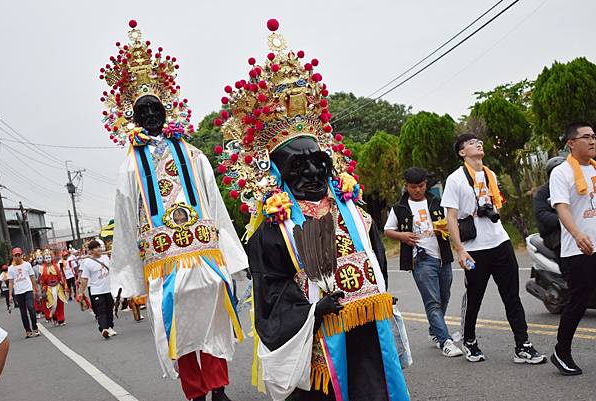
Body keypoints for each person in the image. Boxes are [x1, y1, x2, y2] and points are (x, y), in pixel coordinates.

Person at [219, 19, 409, 401]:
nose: (311, 173)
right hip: (318, 337)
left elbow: (375, 261)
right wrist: (311, 311)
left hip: (367, 327)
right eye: (297, 166)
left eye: (317, 162)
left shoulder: (358, 213)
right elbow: (270, 294)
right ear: (276, 174)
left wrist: (378, 290)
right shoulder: (272, 231)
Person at [104, 20, 248, 401]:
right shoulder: (129, 167)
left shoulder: (193, 153)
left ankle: (218, 388)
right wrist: (127, 276)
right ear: (132, 118)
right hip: (164, 264)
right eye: (143, 111)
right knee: (178, 327)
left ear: (167, 110)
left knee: (214, 319)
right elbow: (125, 222)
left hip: (204, 254)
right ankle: (196, 392)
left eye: (156, 108)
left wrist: (233, 256)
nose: (151, 116)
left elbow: (215, 204)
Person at [441, 133, 545, 364]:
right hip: (474, 248)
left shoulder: (491, 174)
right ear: (462, 152)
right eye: (470, 143)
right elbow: (451, 215)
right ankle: (469, 341)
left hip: (500, 242)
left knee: (511, 297)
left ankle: (523, 346)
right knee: (475, 298)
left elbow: (496, 206)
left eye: (479, 141)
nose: (478, 144)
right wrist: (459, 249)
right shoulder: (455, 179)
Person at [384, 167, 462, 357]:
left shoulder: (437, 202)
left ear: (426, 185)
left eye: (421, 186)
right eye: (413, 187)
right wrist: (402, 235)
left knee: (444, 296)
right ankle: (445, 341)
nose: (417, 190)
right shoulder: (399, 208)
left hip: (442, 256)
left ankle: (434, 331)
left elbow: (452, 221)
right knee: (432, 301)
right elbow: (387, 230)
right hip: (420, 259)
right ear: (406, 186)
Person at [549, 122, 596, 376]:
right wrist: (578, 235)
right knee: (578, 302)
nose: (592, 141)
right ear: (571, 143)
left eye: (594, 136)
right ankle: (561, 352)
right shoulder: (562, 172)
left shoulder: (595, 169)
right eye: (586, 137)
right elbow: (562, 207)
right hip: (579, 250)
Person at [77, 240, 114, 339]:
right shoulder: (87, 263)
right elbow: (84, 279)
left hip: (108, 289)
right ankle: (104, 328)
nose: (99, 249)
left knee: (110, 309)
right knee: (101, 311)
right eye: (96, 248)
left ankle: (110, 326)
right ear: (91, 251)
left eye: (99, 247)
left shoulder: (106, 258)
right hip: (96, 291)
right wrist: (80, 292)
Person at [533, 156, 566, 259]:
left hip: (575, 229)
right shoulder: (543, 192)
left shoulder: (574, 187)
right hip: (554, 234)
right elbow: (541, 213)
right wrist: (564, 220)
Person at [7, 248, 40, 338]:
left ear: (21, 255)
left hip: (28, 290)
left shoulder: (27, 265)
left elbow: (32, 277)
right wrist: (10, 295)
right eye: (15, 255)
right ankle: (28, 330)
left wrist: (36, 289)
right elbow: (10, 282)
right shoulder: (10, 268)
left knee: (31, 308)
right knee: (23, 312)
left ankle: (35, 327)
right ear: (13, 256)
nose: (17, 257)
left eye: (19, 255)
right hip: (18, 292)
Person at [40, 250, 68, 326]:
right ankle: (54, 317)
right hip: (48, 288)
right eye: (46, 258)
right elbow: (41, 280)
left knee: (60, 303)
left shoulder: (57, 266)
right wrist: (42, 289)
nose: (48, 259)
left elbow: (61, 276)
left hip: (58, 286)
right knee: (51, 303)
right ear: (44, 259)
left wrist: (64, 285)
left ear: (51, 258)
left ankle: (61, 319)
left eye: (49, 257)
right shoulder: (42, 269)